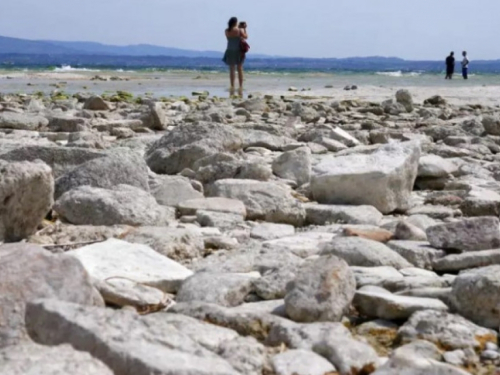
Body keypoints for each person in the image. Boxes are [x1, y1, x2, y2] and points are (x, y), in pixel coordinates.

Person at [223, 17, 248, 97]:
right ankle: (240, 86)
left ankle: (232, 85)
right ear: (235, 22)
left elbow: (228, 39)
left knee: (232, 69)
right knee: (240, 68)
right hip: (238, 50)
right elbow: (245, 37)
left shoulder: (226, 31)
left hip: (230, 49)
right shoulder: (239, 30)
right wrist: (244, 29)